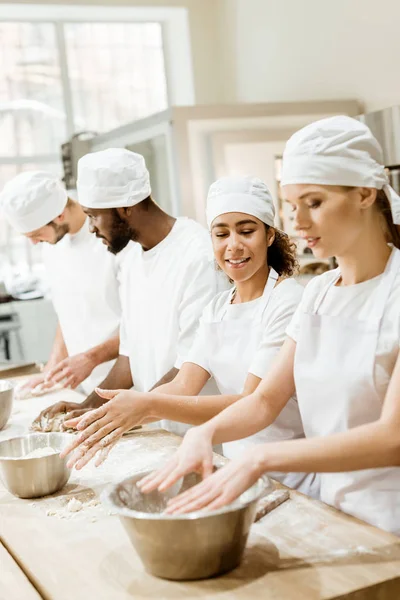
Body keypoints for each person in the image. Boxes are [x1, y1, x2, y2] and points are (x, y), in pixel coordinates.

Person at [136, 116, 400, 536]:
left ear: (366, 193)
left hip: (390, 519)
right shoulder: (319, 292)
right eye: (292, 206)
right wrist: (203, 434)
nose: (299, 222)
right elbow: (263, 402)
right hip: (329, 511)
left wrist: (260, 459)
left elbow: (392, 438)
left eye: (313, 203)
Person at [61, 176, 317, 497]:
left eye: (247, 231)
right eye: (221, 234)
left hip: (293, 475)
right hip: (236, 469)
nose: (233, 245)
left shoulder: (289, 301)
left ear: (269, 235)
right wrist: (114, 417)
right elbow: (184, 384)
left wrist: (147, 404)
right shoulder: (217, 308)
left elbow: (252, 401)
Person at [35, 148, 224, 433]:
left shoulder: (197, 256)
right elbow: (129, 356)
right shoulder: (132, 258)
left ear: (125, 208)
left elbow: (190, 365)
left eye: (94, 217)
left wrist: (122, 413)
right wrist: (89, 406)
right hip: (157, 426)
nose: (91, 229)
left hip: (199, 435)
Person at [0, 171, 123, 395]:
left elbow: (144, 325)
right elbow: (68, 310)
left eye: (36, 234)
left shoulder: (114, 242)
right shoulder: (53, 245)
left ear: (59, 215)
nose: (35, 243)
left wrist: (90, 358)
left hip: (127, 383)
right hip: (83, 385)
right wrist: (52, 368)